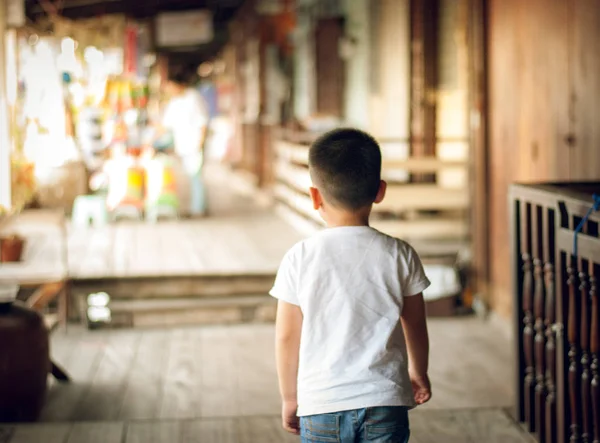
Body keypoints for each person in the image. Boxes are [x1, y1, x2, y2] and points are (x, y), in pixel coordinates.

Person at [270, 128, 432, 443]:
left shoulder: (299, 257)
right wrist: (418, 371)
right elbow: (415, 323)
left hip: (321, 404)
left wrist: (290, 397)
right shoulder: (400, 254)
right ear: (380, 191)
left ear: (315, 195)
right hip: (385, 400)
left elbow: (287, 336)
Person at [160, 69, 209, 217]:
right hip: (183, 145)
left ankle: (198, 209)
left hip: (194, 144)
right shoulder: (175, 102)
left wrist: (200, 142)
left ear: (178, 85)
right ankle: (195, 207)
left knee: (196, 176)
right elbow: (165, 125)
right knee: (190, 176)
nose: (169, 90)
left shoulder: (193, 98)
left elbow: (203, 122)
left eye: (170, 86)